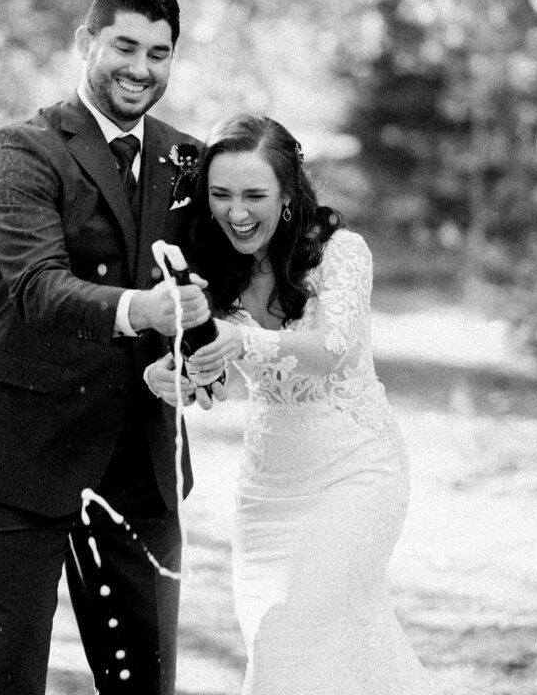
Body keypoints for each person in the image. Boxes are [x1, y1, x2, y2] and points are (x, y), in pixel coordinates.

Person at [0, 0, 216, 695]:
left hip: (139, 464)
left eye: (159, 53)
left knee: (145, 682)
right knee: (10, 679)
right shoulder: (21, 151)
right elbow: (38, 288)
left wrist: (207, 360)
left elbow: (209, 294)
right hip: (23, 449)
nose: (140, 67)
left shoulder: (189, 160)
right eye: (125, 45)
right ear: (85, 44)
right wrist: (143, 311)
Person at [145, 114, 439, 694]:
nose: (237, 212)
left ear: (287, 196)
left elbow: (330, 348)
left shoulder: (343, 254)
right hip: (267, 494)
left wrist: (241, 340)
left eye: (255, 194)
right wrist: (178, 374)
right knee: (298, 649)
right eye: (221, 195)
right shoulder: (209, 270)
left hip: (356, 476)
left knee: (290, 634)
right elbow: (217, 379)